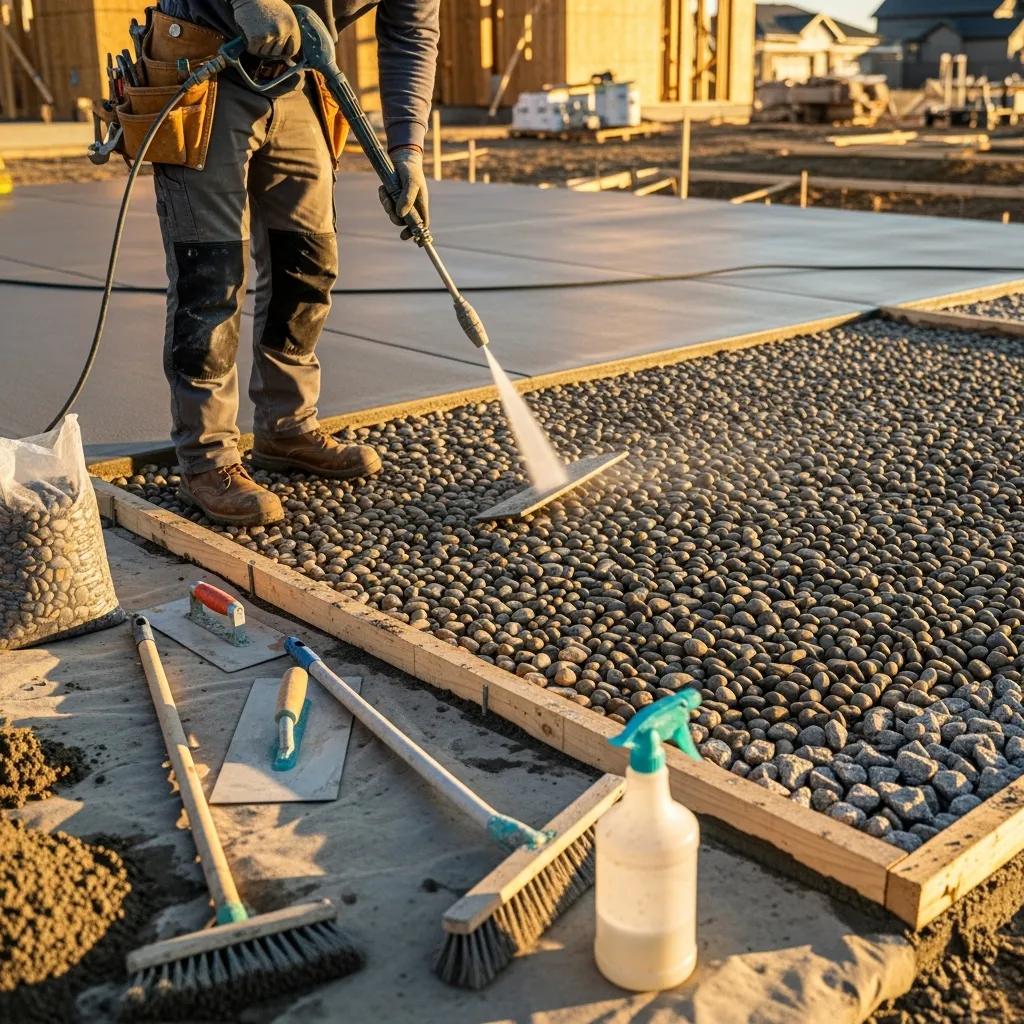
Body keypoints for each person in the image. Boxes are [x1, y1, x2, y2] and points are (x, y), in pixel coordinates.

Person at [151, 0, 438, 525]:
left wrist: (408, 151)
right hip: (204, 59)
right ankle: (207, 457)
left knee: (306, 262)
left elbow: (410, 34)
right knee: (211, 274)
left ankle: (286, 426)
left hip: (300, 80)